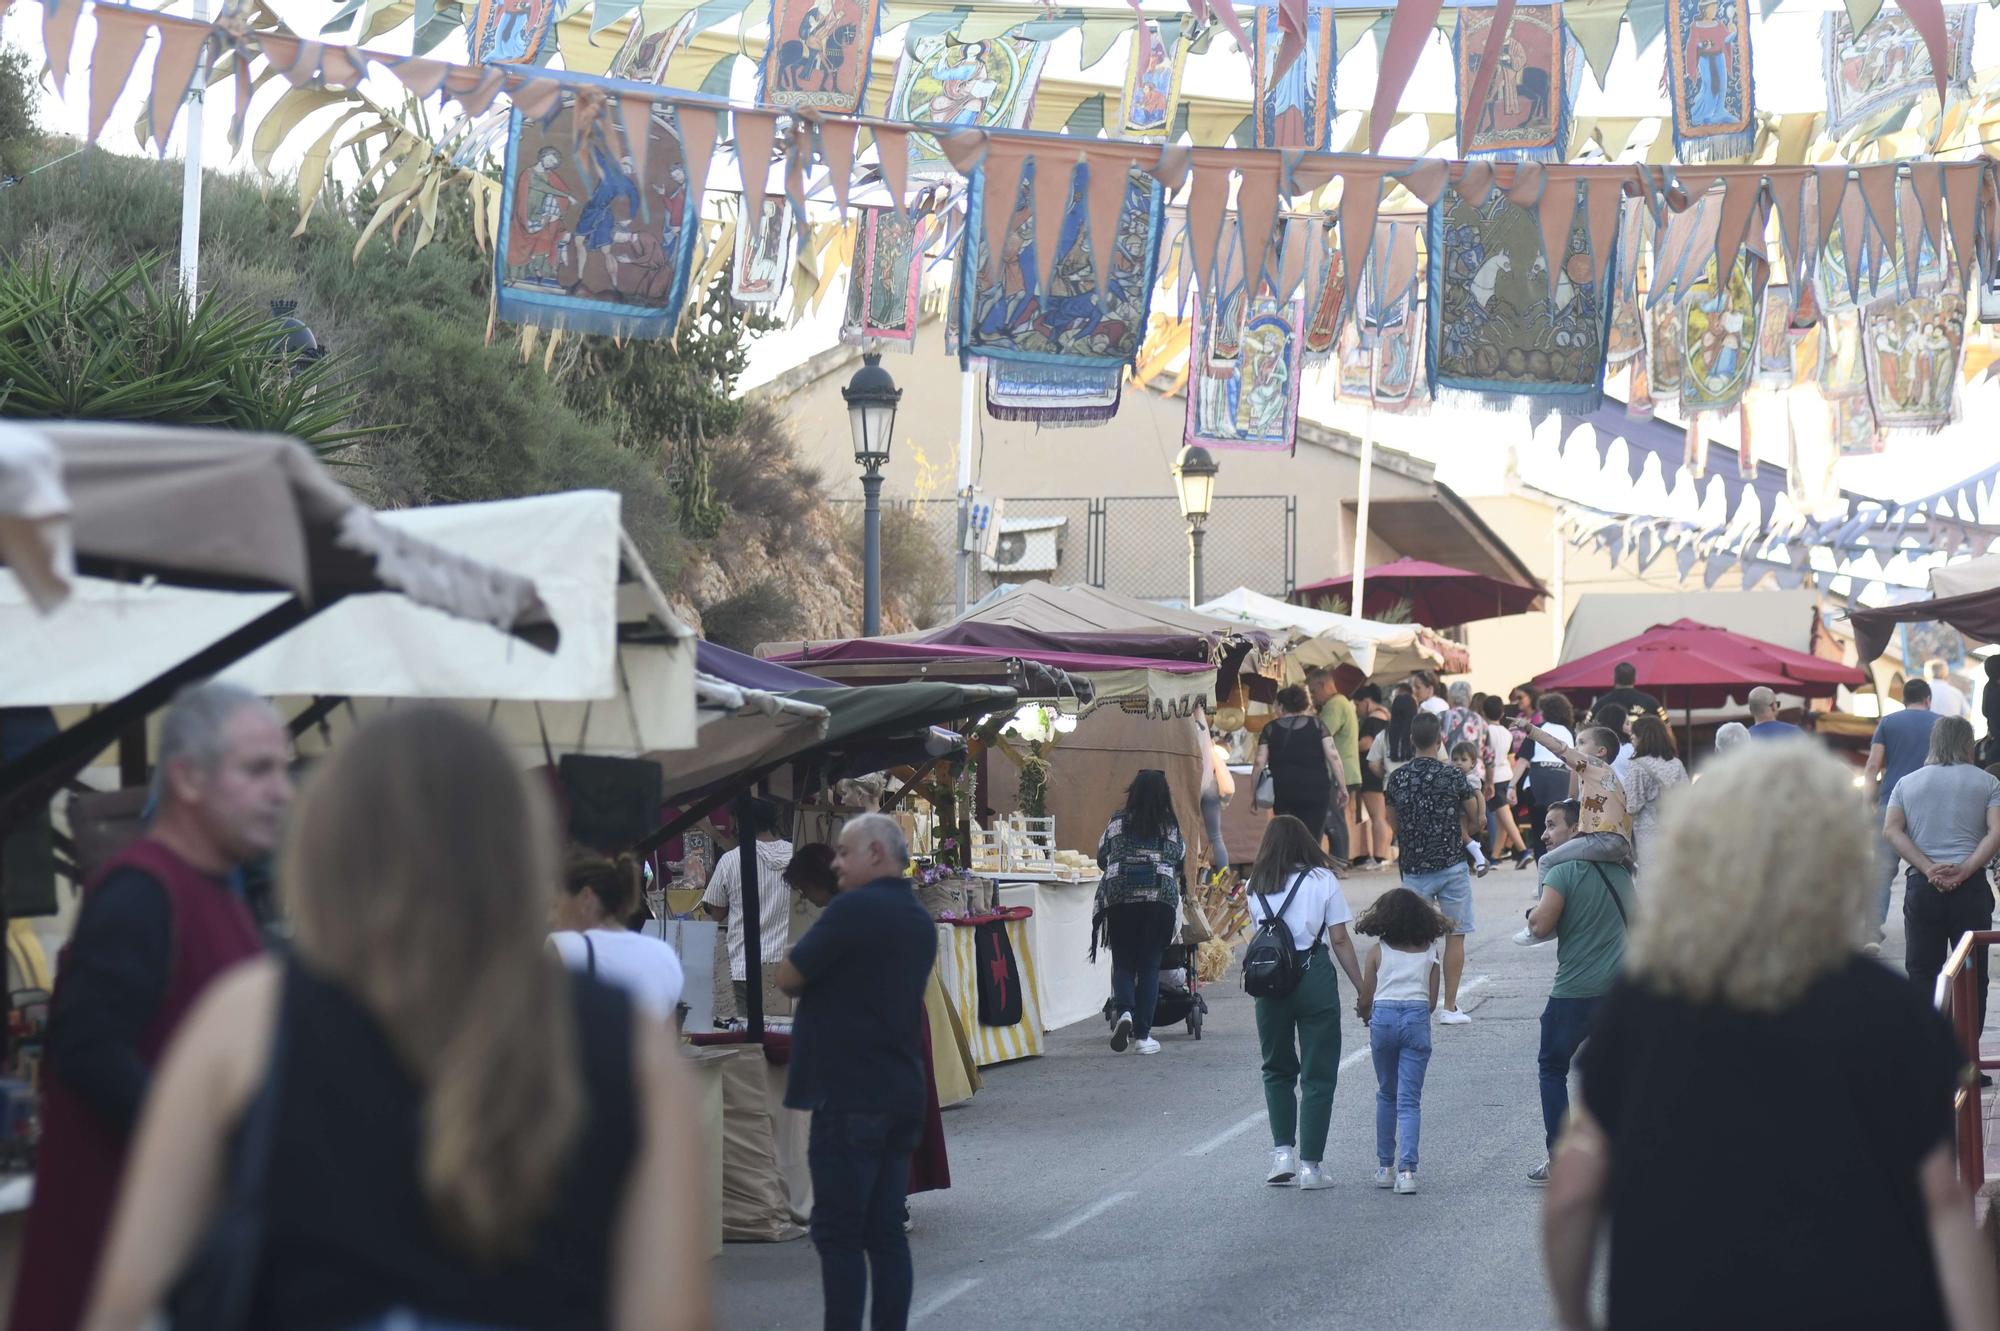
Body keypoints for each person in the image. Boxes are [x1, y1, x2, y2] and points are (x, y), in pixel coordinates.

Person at [82, 705, 712, 1331]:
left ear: (327, 841)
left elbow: (128, 1303)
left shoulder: (245, 1019)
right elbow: (671, 1315)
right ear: (521, 848)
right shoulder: (626, 1042)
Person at [1545, 742, 1997, 1331]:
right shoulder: (1890, 1011)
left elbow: (1575, 1194)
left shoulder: (1647, 1006)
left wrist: (1577, 1317)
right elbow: (1943, 1206)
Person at [16, 682, 292, 1331]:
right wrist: (211, 1146)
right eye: (258, 769)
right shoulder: (141, 891)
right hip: (118, 1280)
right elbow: (87, 1052)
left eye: (284, 769)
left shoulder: (223, 896)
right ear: (188, 778)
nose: (282, 790)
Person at [778, 814, 937, 1331]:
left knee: (840, 1234)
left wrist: (794, 958)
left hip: (848, 1096)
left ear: (876, 853)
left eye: (844, 853)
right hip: (897, 1092)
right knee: (885, 1232)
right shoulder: (916, 918)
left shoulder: (851, 910)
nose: (835, 863)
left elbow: (790, 975)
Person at [1244, 816, 1366, 1191]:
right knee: (1319, 1072)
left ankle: (1282, 1155)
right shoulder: (1321, 880)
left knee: (1276, 1067)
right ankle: (1311, 1166)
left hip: (1269, 981)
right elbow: (1340, 939)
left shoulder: (1253, 885)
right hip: (1313, 976)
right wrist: (1363, 989)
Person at [1520, 800, 1634, 1186]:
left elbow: (1540, 926)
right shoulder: (1621, 872)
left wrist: (1531, 915)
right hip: (1621, 991)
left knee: (1552, 1068)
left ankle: (1561, 1159)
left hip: (1576, 990)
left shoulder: (1562, 872)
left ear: (1577, 829)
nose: (1546, 834)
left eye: (1553, 826)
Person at [1886, 716, 2000, 1039]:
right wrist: (1966, 868)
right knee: (1971, 974)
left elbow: (1891, 830)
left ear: (1934, 743)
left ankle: (1927, 1057)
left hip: (1923, 889)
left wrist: (1926, 866)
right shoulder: (1987, 783)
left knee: (1922, 972)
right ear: (1967, 744)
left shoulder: (1907, 783)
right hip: (1971, 890)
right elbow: (1996, 832)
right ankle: (1968, 1062)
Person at [1383, 712, 1484, 1024]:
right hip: (1452, 863)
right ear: (1440, 740)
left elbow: (1392, 823)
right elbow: (1476, 817)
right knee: (1456, 934)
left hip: (1414, 868)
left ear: (1412, 740)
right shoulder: (1453, 777)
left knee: (1417, 938)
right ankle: (1450, 1007)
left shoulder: (1397, 779)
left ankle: (1419, 1004)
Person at [1354, 887, 1450, 1196]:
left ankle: (1385, 1166)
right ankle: (1408, 1172)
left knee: (1387, 1093)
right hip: (1416, 1017)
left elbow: (1367, 996)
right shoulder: (1430, 952)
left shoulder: (1378, 952)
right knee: (1410, 1099)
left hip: (1383, 1017)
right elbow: (1433, 1001)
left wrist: (1365, 1013)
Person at [1093, 770, 1186, 1056]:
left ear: (1132, 791)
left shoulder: (1117, 821)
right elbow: (1179, 860)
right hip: (1158, 900)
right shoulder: (1169, 826)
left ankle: (1125, 1013)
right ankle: (1144, 1037)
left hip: (1119, 898)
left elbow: (1101, 856)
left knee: (1123, 961)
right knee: (1149, 966)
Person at [551, 848, 686, 1022]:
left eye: (556, 904)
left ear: (586, 898)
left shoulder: (563, 948)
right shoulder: (664, 955)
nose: (552, 915)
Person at [702, 797, 795, 1019]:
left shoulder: (731, 860)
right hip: (786, 970)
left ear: (740, 822)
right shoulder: (796, 855)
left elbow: (716, 912)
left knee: (745, 1042)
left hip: (742, 968)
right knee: (781, 1038)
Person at [1867, 678, 1941, 945]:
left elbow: (1874, 765)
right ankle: (1933, 928)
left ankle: (1872, 932)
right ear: (1928, 699)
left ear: (1904, 699)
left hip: (1891, 803)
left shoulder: (1888, 722)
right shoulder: (1941, 723)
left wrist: (1868, 802)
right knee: (1930, 866)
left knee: (1883, 870)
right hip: (1930, 804)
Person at [1510, 718, 1633, 875]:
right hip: (1621, 842)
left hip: (1602, 839)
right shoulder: (1606, 775)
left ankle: (1547, 900)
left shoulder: (1592, 764)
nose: (1576, 748)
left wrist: (1530, 729)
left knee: (1546, 861)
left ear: (1600, 751)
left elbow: (1561, 749)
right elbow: (1573, 797)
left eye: (1581, 743)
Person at [1251, 685, 1347, 845]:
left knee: (1289, 837)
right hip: (1316, 790)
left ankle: (1292, 867)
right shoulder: (1318, 725)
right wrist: (1342, 787)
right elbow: (1333, 756)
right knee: (1313, 837)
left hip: (1284, 791)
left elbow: (1259, 762)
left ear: (1281, 706)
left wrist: (1254, 793)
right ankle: (1310, 867)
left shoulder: (1270, 729)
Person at [1308, 668, 1361, 866]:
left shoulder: (1334, 705)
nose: (1313, 697)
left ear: (1323, 685)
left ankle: (1339, 863)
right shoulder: (1341, 702)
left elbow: (1321, 732)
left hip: (1337, 771)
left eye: (1313, 691)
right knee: (1334, 818)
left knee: (1332, 819)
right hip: (1346, 769)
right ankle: (1339, 862)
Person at [1621, 715, 1689, 862]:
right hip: (1675, 831)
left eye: (1635, 733)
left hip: (1649, 834)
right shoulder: (1676, 763)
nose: (1631, 736)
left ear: (1643, 736)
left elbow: (1632, 806)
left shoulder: (1637, 766)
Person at [1521, 692, 1576, 857]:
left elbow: (1523, 760)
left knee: (1540, 833)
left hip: (1536, 784)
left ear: (1545, 711)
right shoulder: (1571, 733)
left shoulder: (1537, 731)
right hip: (1562, 782)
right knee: (1562, 832)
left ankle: (1543, 873)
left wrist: (1511, 786)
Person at [1483, 695, 1532, 869]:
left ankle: (1523, 850)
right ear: (1502, 713)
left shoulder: (1485, 731)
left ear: (1483, 712)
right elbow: (1512, 758)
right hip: (1506, 774)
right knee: (1502, 819)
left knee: (1505, 817)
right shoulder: (1506, 732)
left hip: (1492, 777)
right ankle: (1495, 857)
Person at [1355, 684, 1394, 869]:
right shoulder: (1387, 717)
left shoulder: (1372, 721)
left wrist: (1350, 746)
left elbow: (1366, 744)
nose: (1358, 710)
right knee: (1383, 816)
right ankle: (1383, 853)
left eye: (1358, 705)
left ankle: (1378, 857)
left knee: (1376, 816)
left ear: (1366, 702)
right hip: (1384, 771)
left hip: (1371, 774)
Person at [1449, 742, 1493, 876]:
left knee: (1463, 835)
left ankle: (1479, 859)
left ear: (1472, 763)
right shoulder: (1454, 777)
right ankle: (1472, 863)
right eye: (1455, 760)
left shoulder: (1471, 779)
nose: (1459, 763)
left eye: (1463, 760)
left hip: (1466, 814)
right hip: (1458, 812)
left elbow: (1480, 796)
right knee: (1463, 838)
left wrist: (1481, 814)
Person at [1199, 726, 1236, 873]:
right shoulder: (1209, 740)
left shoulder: (1186, 728)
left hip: (1192, 783)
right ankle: (1224, 876)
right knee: (1215, 835)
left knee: (1189, 832)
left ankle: (1189, 876)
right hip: (1211, 785)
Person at [1371, 691, 1419, 787]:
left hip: (1391, 786)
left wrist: (1386, 776)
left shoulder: (1383, 735)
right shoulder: (1421, 733)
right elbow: (1442, 759)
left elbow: (1373, 765)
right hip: (1416, 785)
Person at [1593, 661, 1664, 722]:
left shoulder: (1601, 703)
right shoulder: (1651, 702)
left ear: (1614, 677)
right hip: (1641, 737)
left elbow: (1587, 727)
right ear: (1635, 678)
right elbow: (1666, 725)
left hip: (1611, 738)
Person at [1592, 702, 1635, 783]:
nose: (1631, 727)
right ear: (1617, 725)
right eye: (1627, 723)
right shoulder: (1632, 750)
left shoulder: (1591, 749)